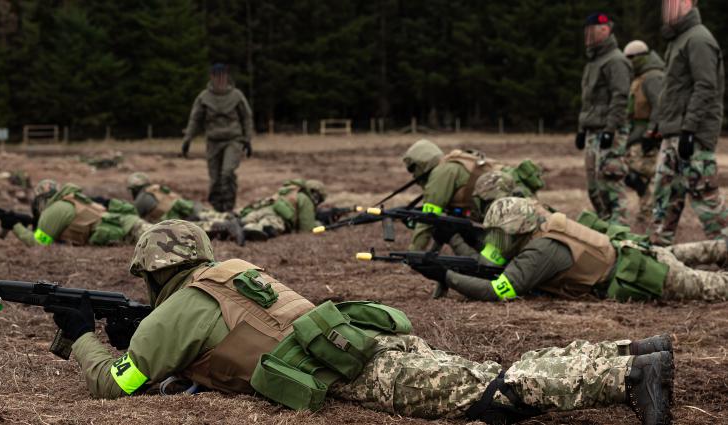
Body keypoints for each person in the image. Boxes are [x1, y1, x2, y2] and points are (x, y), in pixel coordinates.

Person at [47, 220, 674, 425]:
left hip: (348, 362)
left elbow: (115, 386)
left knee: (488, 393)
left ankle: (625, 375)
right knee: (481, 373)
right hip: (359, 334)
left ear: (157, 273)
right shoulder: (230, 270)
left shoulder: (179, 308)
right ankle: (630, 350)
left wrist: (79, 338)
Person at [444, 197, 728, 304]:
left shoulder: (540, 251)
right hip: (634, 255)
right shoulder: (542, 229)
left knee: (714, 286)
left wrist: (447, 277)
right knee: (699, 252)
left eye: (499, 235)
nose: (495, 242)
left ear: (517, 230)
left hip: (642, 272)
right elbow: (487, 262)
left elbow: (497, 290)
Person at [650, 0, 728, 245]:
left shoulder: (698, 39)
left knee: (705, 198)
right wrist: (659, 126)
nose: (669, 8)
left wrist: (689, 130)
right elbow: (672, 91)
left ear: (689, 4)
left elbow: (705, 87)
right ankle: (659, 253)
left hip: (691, 134)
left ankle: (725, 246)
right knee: (665, 196)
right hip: (673, 132)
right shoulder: (679, 40)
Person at [401, 139, 543, 252]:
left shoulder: (441, 173)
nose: (413, 175)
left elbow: (428, 217)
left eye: (413, 168)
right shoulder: (452, 164)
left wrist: (414, 252)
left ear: (422, 163)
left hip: (510, 213)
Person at [576, 13, 632, 226]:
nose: (588, 36)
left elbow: (620, 97)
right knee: (595, 189)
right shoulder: (593, 62)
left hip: (610, 132)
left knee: (611, 186)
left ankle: (622, 235)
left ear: (606, 30)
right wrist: (582, 129)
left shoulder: (616, 60)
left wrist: (610, 129)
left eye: (593, 31)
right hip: (593, 131)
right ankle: (606, 232)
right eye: (586, 31)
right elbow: (588, 100)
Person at [181, 64, 255, 213]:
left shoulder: (236, 96)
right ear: (211, 77)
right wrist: (187, 139)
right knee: (215, 179)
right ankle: (217, 208)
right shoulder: (204, 97)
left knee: (227, 173)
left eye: (223, 76)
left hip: (233, 139)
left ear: (227, 77)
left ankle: (228, 207)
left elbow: (246, 117)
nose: (220, 80)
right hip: (213, 141)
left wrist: (247, 139)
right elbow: (195, 119)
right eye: (217, 76)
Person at [8, 179, 153, 247]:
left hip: (130, 229)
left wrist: (15, 226)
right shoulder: (68, 201)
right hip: (128, 225)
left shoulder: (53, 210)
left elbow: (39, 242)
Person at [126, 172, 244, 246]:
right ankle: (237, 221)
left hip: (171, 215)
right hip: (183, 206)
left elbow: (137, 218)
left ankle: (226, 225)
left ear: (134, 189)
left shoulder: (140, 199)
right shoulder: (156, 189)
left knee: (191, 228)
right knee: (207, 215)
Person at [623, 41, 665, 225]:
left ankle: (653, 213)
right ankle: (646, 212)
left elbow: (659, 105)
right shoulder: (641, 77)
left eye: (631, 58)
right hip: (636, 134)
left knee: (646, 173)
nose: (628, 62)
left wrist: (651, 132)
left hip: (647, 136)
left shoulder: (653, 77)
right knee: (634, 174)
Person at [238, 179, 326, 240]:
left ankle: (240, 225)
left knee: (247, 220)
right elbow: (306, 228)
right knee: (263, 227)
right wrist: (319, 223)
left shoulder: (291, 190)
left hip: (265, 209)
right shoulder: (306, 200)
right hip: (277, 217)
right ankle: (248, 229)